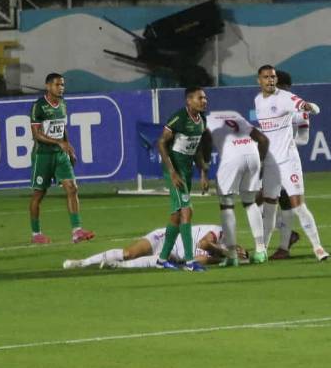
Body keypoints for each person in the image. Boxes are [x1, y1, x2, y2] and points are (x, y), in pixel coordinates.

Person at [254, 65, 328, 262]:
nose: (271, 81)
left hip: (288, 161)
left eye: (274, 78)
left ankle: (317, 248)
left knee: (295, 205)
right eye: (267, 77)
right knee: (263, 203)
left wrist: (309, 107)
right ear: (259, 80)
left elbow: (303, 134)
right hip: (270, 163)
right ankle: (265, 249)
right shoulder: (258, 101)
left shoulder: (288, 100)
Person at [28, 73, 94, 245]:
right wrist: (59, 142)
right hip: (43, 156)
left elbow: (62, 127)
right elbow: (36, 135)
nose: (61, 88)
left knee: (72, 188)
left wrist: (68, 147)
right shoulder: (39, 106)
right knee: (38, 195)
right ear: (48, 86)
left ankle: (77, 231)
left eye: (63, 84)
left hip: (60, 155)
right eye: (58, 85)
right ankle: (36, 234)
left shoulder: (63, 105)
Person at [156, 87, 212, 272]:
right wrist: (172, 172)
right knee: (187, 211)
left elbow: (195, 148)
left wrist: (203, 173)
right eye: (200, 98)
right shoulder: (179, 118)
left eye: (205, 98)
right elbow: (161, 142)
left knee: (176, 216)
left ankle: (162, 259)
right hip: (175, 170)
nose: (204, 101)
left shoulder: (201, 120)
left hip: (186, 169)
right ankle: (190, 262)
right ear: (189, 100)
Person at [205, 108, 269, 264]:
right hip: (253, 155)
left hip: (232, 158)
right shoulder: (235, 115)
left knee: (226, 206)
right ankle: (261, 251)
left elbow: (205, 145)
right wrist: (260, 164)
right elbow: (264, 140)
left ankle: (232, 255)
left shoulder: (206, 121)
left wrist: (204, 171)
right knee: (250, 202)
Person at [63, 224, 247, 270]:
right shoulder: (221, 231)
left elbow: (193, 260)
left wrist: (181, 262)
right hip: (166, 236)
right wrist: (226, 252)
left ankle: (118, 266)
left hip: (173, 252)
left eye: (241, 255)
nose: (239, 251)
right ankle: (82, 262)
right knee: (129, 252)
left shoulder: (216, 258)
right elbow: (203, 243)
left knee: (165, 259)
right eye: (240, 250)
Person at [267, 70, 305, 258]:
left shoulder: (298, 110)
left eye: (278, 85)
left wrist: (283, 145)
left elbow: (304, 139)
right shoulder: (266, 104)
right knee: (257, 201)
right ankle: (287, 236)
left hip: (285, 161)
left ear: (287, 88)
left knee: (282, 202)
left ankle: (284, 246)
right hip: (269, 161)